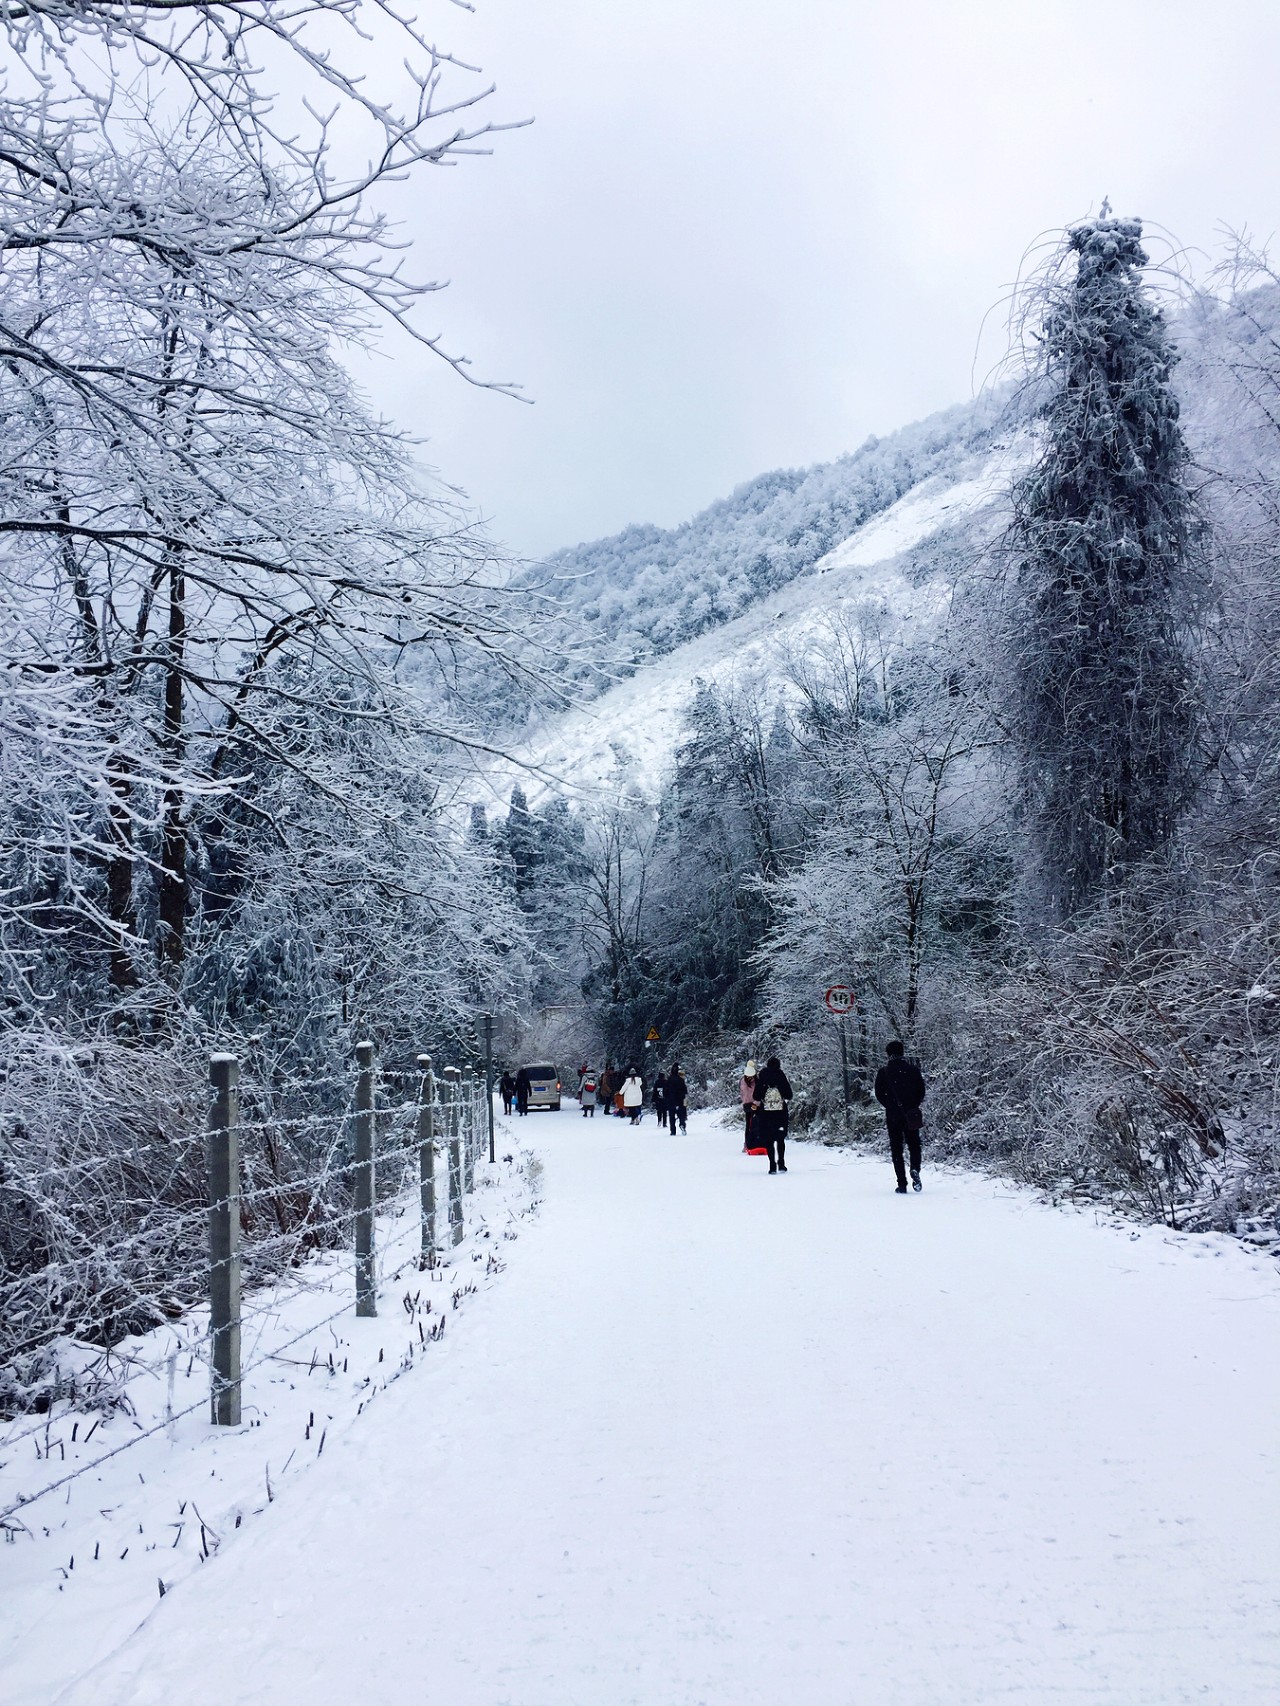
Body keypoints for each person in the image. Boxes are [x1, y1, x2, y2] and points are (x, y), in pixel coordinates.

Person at [874, 1039, 926, 1193]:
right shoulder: (913, 1070)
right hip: (911, 1115)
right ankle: (915, 1168)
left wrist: (890, 1106)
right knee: (914, 1144)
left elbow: (879, 1094)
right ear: (902, 1053)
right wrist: (913, 1105)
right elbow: (921, 1091)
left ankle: (902, 1183)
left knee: (896, 1149)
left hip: (893, 1116)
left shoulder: (883, 1072)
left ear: (888, 1054)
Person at [753, 1055, 792, 1174]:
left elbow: (756, 1096)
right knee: (780, 1139)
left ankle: (771, 1166)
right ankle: (781, 1164)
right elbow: (789, 1095)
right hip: (780, 1113)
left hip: (766, 1113)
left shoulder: (763, 1076)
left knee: (769, 1139)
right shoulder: (781, 1075)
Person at [739, 1061, 759, 1150]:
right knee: (748, 1126)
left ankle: (758, 1143)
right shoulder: (742, 1081)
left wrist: (756, 1103)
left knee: (757, 1124)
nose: (749, 1078)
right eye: (747, 1076)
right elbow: (742, 1093)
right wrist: (744, 1103)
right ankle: (747, 1144)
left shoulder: (758, 1081)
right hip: (747, 1105)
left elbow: (760, 1094)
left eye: (751, 1076)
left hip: (756, 1105)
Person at [666, 1062, 688, 1133]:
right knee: (681, 1115)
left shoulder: (668, 1080)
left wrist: (667, 1099)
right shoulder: (681, 1080)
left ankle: (673, 1130)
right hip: (680, 1100)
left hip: (671, 1101)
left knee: (672, 1116)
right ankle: (682, 1125)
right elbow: (685, 1090)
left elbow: (665, 1092)